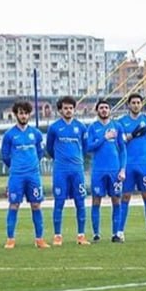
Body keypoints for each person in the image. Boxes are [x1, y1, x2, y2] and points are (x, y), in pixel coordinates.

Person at [1, 100, 49, 249]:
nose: (23, 116)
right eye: (21, 113)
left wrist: (31, 165)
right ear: (16, 114)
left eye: (26, 113)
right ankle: (10, 239)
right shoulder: (9, 135)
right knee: (14, 205)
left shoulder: (36, 134)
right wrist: (16, 167)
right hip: (16, 176)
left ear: (29, 115)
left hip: (33, 176)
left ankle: (39, 239)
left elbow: (40, 152)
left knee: (36, 205)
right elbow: (5, 156)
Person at [117, 93, 146, 242]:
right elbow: (119, 142)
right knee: (125, 197)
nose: (136, 105)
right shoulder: (121, 122)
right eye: (133, 103)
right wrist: (133, 135)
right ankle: (120, 232)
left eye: (138, 102)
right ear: (128, 105)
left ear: (141, 104)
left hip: (144, 164)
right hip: (127, 164)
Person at [45, 95, 88, 245]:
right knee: (59, 202)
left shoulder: (81, 127)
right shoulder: (54, 128)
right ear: (60, 110)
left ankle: (81, 235)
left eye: (71, 108)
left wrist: (77, 159)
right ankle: (57, 236)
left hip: (77, 170)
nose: (68, 110)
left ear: (74, 110)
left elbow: (85, 147)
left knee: (80, 202)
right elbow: (49, 148)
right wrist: (60, 158)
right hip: (61, 171)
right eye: (65, 108)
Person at [85, 98, 126, 243]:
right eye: (101, 108)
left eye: (106, 108)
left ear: (110, 110)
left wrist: (123, 169)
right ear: (97, 110)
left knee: (116, 200)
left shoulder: (117, 126)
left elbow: (123, 150)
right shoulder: (92, 128)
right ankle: (96, 234)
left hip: (114, 170)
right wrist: (104, 137)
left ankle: (116, 234)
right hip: (98, 171)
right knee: (96, 200)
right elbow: (89, 147)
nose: (104, 110)